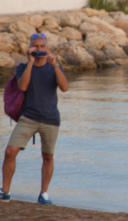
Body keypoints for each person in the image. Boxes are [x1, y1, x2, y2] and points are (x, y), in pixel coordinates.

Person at [0, 33, 69, 205]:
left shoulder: (54, 67)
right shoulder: (23, 67)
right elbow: (22, 86)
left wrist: (55, 66)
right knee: (10, 152)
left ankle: (44, 193)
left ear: (47, 48)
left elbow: (65, 87)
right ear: (30, 48)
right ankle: (5, 191)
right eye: (35, 46)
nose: (39, 49)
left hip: (50, 119)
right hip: (28, 118)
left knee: (48, 156)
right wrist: (31, 62)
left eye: (42, 46)